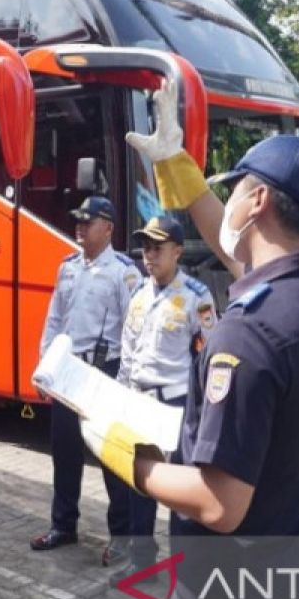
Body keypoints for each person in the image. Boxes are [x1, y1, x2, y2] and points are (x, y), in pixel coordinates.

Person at [96, 80, 299, 599]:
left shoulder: (246, 334)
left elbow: (220, 504)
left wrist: (130, 462)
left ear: (258, 200)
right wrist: (177, 168)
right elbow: (248, 259)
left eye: (234, 188)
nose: (229, 199)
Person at [30, 195, 141, 563]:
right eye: (77, 220)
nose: (79, 226)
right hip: (68, 372)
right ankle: (64, 525)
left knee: (111, 459)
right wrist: (44, 367)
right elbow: (54, 321)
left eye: (87, 221)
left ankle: (122, 535)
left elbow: (134, 330)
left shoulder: (124, 273)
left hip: (104, 372)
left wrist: (126, 381)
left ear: (107, 228)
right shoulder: (68, 267)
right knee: (64, 452)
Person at [110, 215, 216, 573]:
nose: (149, 256)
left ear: (178, 251)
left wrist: (200, 414)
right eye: (145, 248)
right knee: (140, 486)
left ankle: (188, 567)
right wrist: (122, 398)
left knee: (180, 491)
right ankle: (142, 562)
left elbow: (207, 359)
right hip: (139, 402)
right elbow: (128, 352)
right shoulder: (139, 295)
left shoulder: (196, 300)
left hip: (175, 406)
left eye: (157, 248)